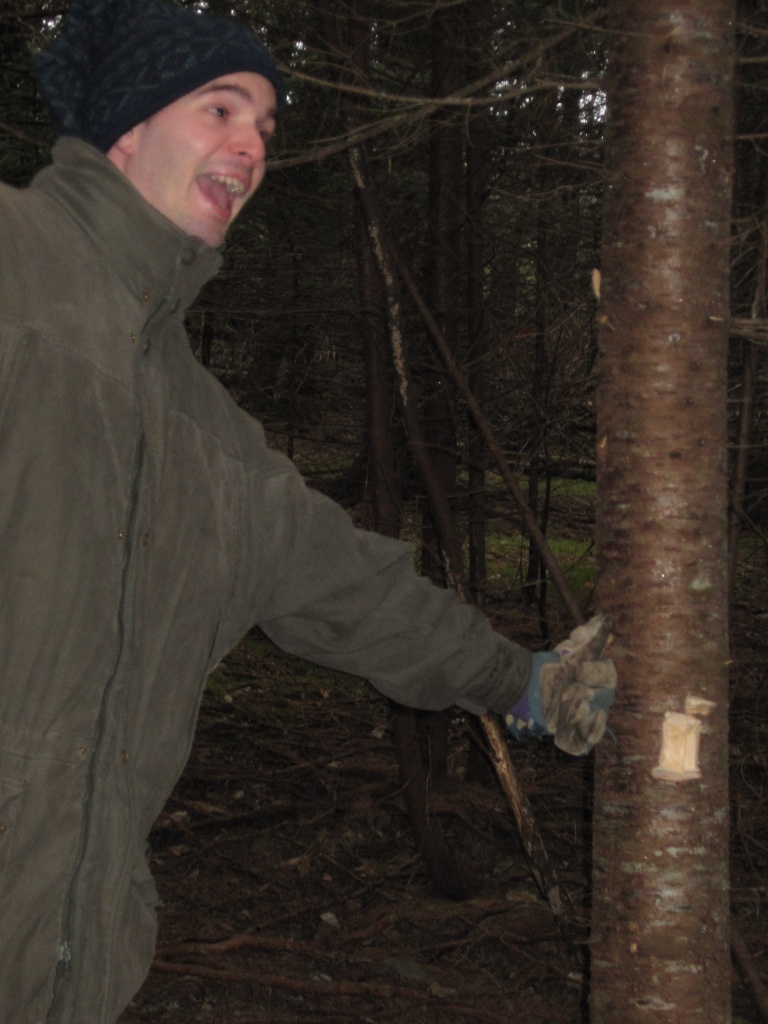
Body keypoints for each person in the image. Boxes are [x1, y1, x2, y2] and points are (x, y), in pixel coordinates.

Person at [0, 1, 615, 1021]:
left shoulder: (209, 437)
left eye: (266, 127)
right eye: (220, 108)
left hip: (71, 965)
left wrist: (528, 685)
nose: (251, 145)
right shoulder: (13, 268)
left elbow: (358, 593)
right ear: (125, 124)